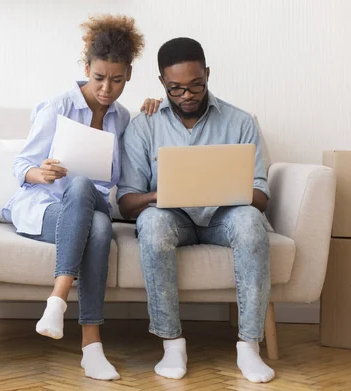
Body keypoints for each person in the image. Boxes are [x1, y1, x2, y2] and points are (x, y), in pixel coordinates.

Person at [2, 15, 160, 381]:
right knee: (97, 224)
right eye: (99, 77)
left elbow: (118, 175)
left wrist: (156, 107)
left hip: (92, 203)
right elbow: (21, 163)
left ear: (129, 75)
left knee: (85, 188)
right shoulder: (57, 107)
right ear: (87, 68)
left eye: (117, 80)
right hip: (48, 207)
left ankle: (57, 302)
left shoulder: (122, 118)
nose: (107, 88)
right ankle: (91, 346)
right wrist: (39, 172)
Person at [117, 37, 275, 384]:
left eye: (195, 85)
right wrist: (163, 194)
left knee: (251, 222)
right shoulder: (145, 125)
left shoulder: (240, 121)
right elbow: (127, 203)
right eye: (175, 89)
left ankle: (249, 346)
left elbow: (261, 196)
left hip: (224, 217)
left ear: (207, 74)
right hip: (171, 217)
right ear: (162, 83)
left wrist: (225, 190)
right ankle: (172, 343)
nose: (186, 95)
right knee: (153, 224)